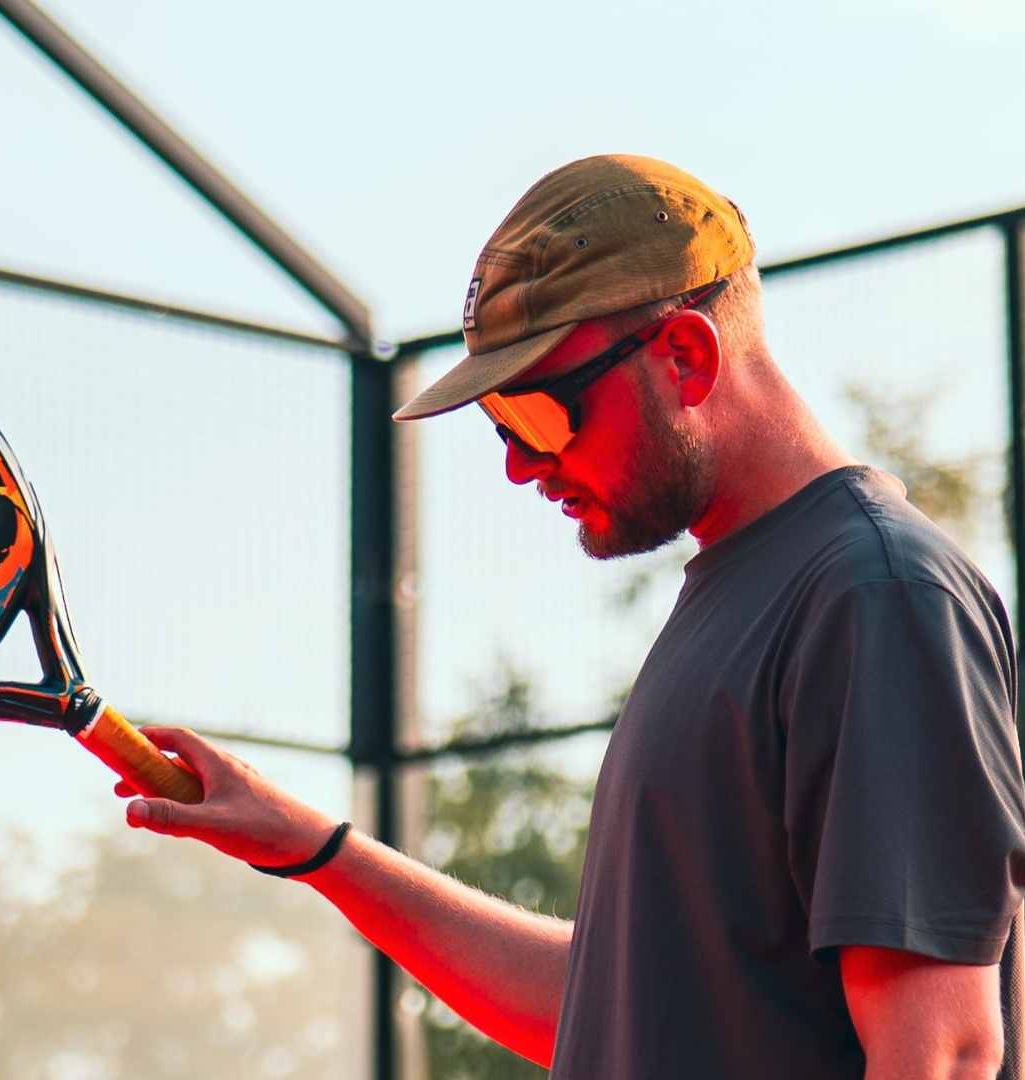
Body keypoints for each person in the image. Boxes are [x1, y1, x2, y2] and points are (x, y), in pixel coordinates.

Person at [120, 155, 1025, 1078]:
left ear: (686, 355)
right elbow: (616, 1009)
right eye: (499, 422)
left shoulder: (877, 593)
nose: (519, 463)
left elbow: (943, 1050)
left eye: (541, 411)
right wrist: (320, 850)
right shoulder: (749, 595)